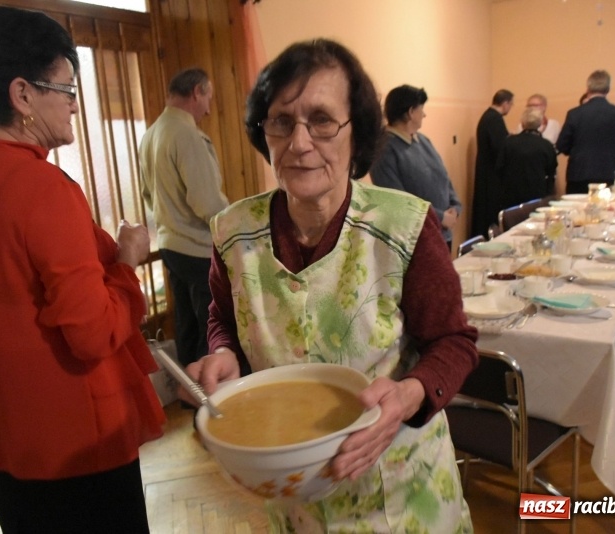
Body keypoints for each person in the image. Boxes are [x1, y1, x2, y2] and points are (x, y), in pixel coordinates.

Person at [188, 39, 478, 532]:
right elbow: (224, 317)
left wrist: (408, 395)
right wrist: (223, 352)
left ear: (356, 133)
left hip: (402, 494)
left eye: (321, 120)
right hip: (291, 495)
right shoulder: (233, 233)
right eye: (282, 121)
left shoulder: (404, 226)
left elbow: (454, 342)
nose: (300, 143)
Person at [0, 7, 164, 533]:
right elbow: (93, 331)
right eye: (68, 89)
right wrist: (126, 263)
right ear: (23, 95)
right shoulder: (43, 189)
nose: (76, 106)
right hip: (72, 442)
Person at [139, 68, 229, 368]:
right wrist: (237, 231)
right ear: (197, 92)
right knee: (211, 325)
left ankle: (191, 396)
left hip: (169, 243)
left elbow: (147, 194)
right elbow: (207, 201)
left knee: (186, 323)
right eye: (208, 98)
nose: (208, 107)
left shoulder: (152, 133)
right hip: (197, 246)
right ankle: (209, 402)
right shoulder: (187, 134)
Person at [369, 85, 462, 251]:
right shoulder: (384, 149)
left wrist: (455, 207)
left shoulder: (424, 141)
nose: (424, 114)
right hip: (414, 240)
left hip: (443, 233)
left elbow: (443, 176)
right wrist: (440, 217)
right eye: (421, 109)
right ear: (411, 112)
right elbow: (397, 199)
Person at [556, 70, 615, 194]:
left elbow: (562, 145)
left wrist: (576, 150)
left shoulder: (575, 114)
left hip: (579, 174)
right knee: (608, 211)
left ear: (588, 89)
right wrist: (612, 150)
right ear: (608, 89)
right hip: (609, 172)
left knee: (577, 210)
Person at [497, 107, 558, 210]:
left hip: (511, 193)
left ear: (522, 123)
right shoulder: (546, 145)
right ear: (540, 124)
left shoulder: (508, 143)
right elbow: (552, 171)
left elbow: (499, 167)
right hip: (537, 193)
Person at [471, 89, 514, 237]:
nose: (510, 108)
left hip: (486, 169)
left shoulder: (488, 116)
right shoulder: (494, 119)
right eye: (511, 104)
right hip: (491, 173)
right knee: (489, 211)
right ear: (505, 103)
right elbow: (500, 147)